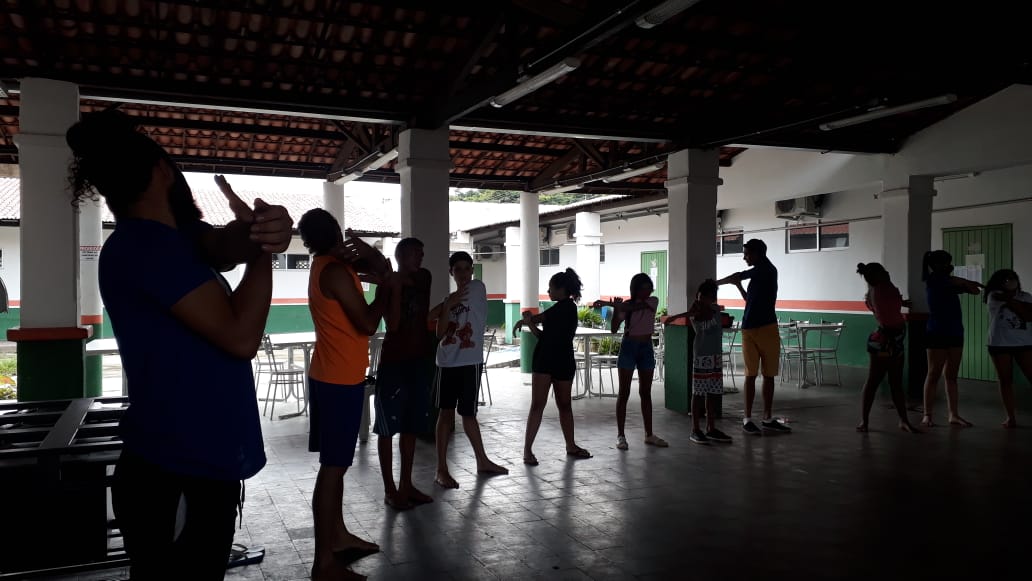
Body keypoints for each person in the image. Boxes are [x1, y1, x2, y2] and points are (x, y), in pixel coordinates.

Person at [66, 110, 293, 579]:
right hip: (178, 466)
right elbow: (240, 337)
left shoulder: (172, 241)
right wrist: (266, 252)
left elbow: (222, 246)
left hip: (187, 460)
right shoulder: (147, 246)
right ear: (164, 170)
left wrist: (262, 229)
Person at [299, 209, 394, 580]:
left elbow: (380, 269)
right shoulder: (336, 271)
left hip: (332, 375)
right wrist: (384, 290)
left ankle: (337, 537)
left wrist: (372, 259)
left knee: (336, 465)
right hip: (337, 381)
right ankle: (323, 562)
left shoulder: (328, 266)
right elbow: (368, 323)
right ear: (336, 234)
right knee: (333, 469)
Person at [427, 251, 508, 489]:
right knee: (445, 414)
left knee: (469, 414)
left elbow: (432, 314)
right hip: (447, 362)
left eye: (466, 268)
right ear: (451, 272)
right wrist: (446, 306)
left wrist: (446, 305)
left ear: (472, 270)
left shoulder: (477, 287)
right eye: (457, 269)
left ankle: (482, 461)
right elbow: (439, 332)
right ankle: (441, 469)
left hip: (469, 362)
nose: (462, 273)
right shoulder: (450, 299)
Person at [373, 237, 435, 510]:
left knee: (411, 426)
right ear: (400, 256)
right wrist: (393, 287)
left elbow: (411, 280)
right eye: (414, 253)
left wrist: (392, 279)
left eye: (421, 252)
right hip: (393, 364)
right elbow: (394, 324)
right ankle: (390, 489)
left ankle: (406, 485)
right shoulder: (388, 287)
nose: (420, 257)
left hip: (419, 362)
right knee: (387, 429)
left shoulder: (424, 277)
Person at [515, 268, 592, 465]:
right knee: (543, 405)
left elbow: (538, 319)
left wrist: (526, 320)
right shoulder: (559, 308)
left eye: (551, 288)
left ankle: (569, 446)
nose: (548, 291)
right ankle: (528, 450)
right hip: (548, 360)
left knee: (559, 405)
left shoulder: (566, 307)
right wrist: (528, 322)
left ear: (562, 289)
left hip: (558, 361)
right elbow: (543, 336)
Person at [715, 239, 791, 435]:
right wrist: (739, 287)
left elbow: (737, 275)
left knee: (768, 375)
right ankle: (748, 418)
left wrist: (714, 284)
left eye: (747, 254)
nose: (744, 257)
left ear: (758, 253)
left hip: (767, 328)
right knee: (751, 375)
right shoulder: (759, 274)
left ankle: (767, 418)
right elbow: (749, 300)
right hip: (749, 329)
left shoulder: (766, 270)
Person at [593, 273, 668, 450]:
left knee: (645, 392)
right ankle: (621, 435)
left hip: (646, 347)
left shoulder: (653, 301)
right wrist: (616, 311)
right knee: (624, 392)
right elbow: (614, 329)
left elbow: (635, 307)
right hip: (629, 346)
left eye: (649, 288)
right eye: (644, 288)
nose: (649, 291)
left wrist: (611, 304)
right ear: (636, 289)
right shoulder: (625, 306)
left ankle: (649, 434)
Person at [855, 263, 921, 433]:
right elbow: (891, 302)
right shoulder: (881, 289)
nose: (888, 272)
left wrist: (901, 301)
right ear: (878, 276)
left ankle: (896, 420)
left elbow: (892, 303)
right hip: (886, 341)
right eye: (884, 272)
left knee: (888, 382)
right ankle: (867, 421)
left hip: (893, 340)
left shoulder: (877, 290)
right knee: (877, 381)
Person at [666, 280, 734, 444]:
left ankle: (711, 428)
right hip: (702, 358)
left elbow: (711, 314)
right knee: (698, 394)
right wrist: (674, 317)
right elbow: (694, 314)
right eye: (700, 296)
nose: (702, 299)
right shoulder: (695, 311)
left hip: (715, 356)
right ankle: (695, 429)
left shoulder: (715, 309)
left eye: (706, 296)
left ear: (712, 298)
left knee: (712, 393)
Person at [920, 250, 982, 428]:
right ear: (935, 265)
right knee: (933, 374)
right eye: (945, 263)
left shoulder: (950, 282)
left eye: (948, 262)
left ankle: (953, 415)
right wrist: (965, 281)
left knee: (951, 376)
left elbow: (975, 291)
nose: (948, 266)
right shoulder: (933, 279)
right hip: (936, 332)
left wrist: (966, 283)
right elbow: (962, 283)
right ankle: (927, 415)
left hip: (955, 332)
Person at [983, 269, 1032, 428]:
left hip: (1024, 343)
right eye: (1006, 279)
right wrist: (1017, 303)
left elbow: (1028, 316)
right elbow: (1024, 310)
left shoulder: (1025, 295)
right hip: (999, 343)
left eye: (1013, 278)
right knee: (1005, 380)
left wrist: (1010, 300)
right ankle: (1010, 417)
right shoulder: (993, 295)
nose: (1010, 282)